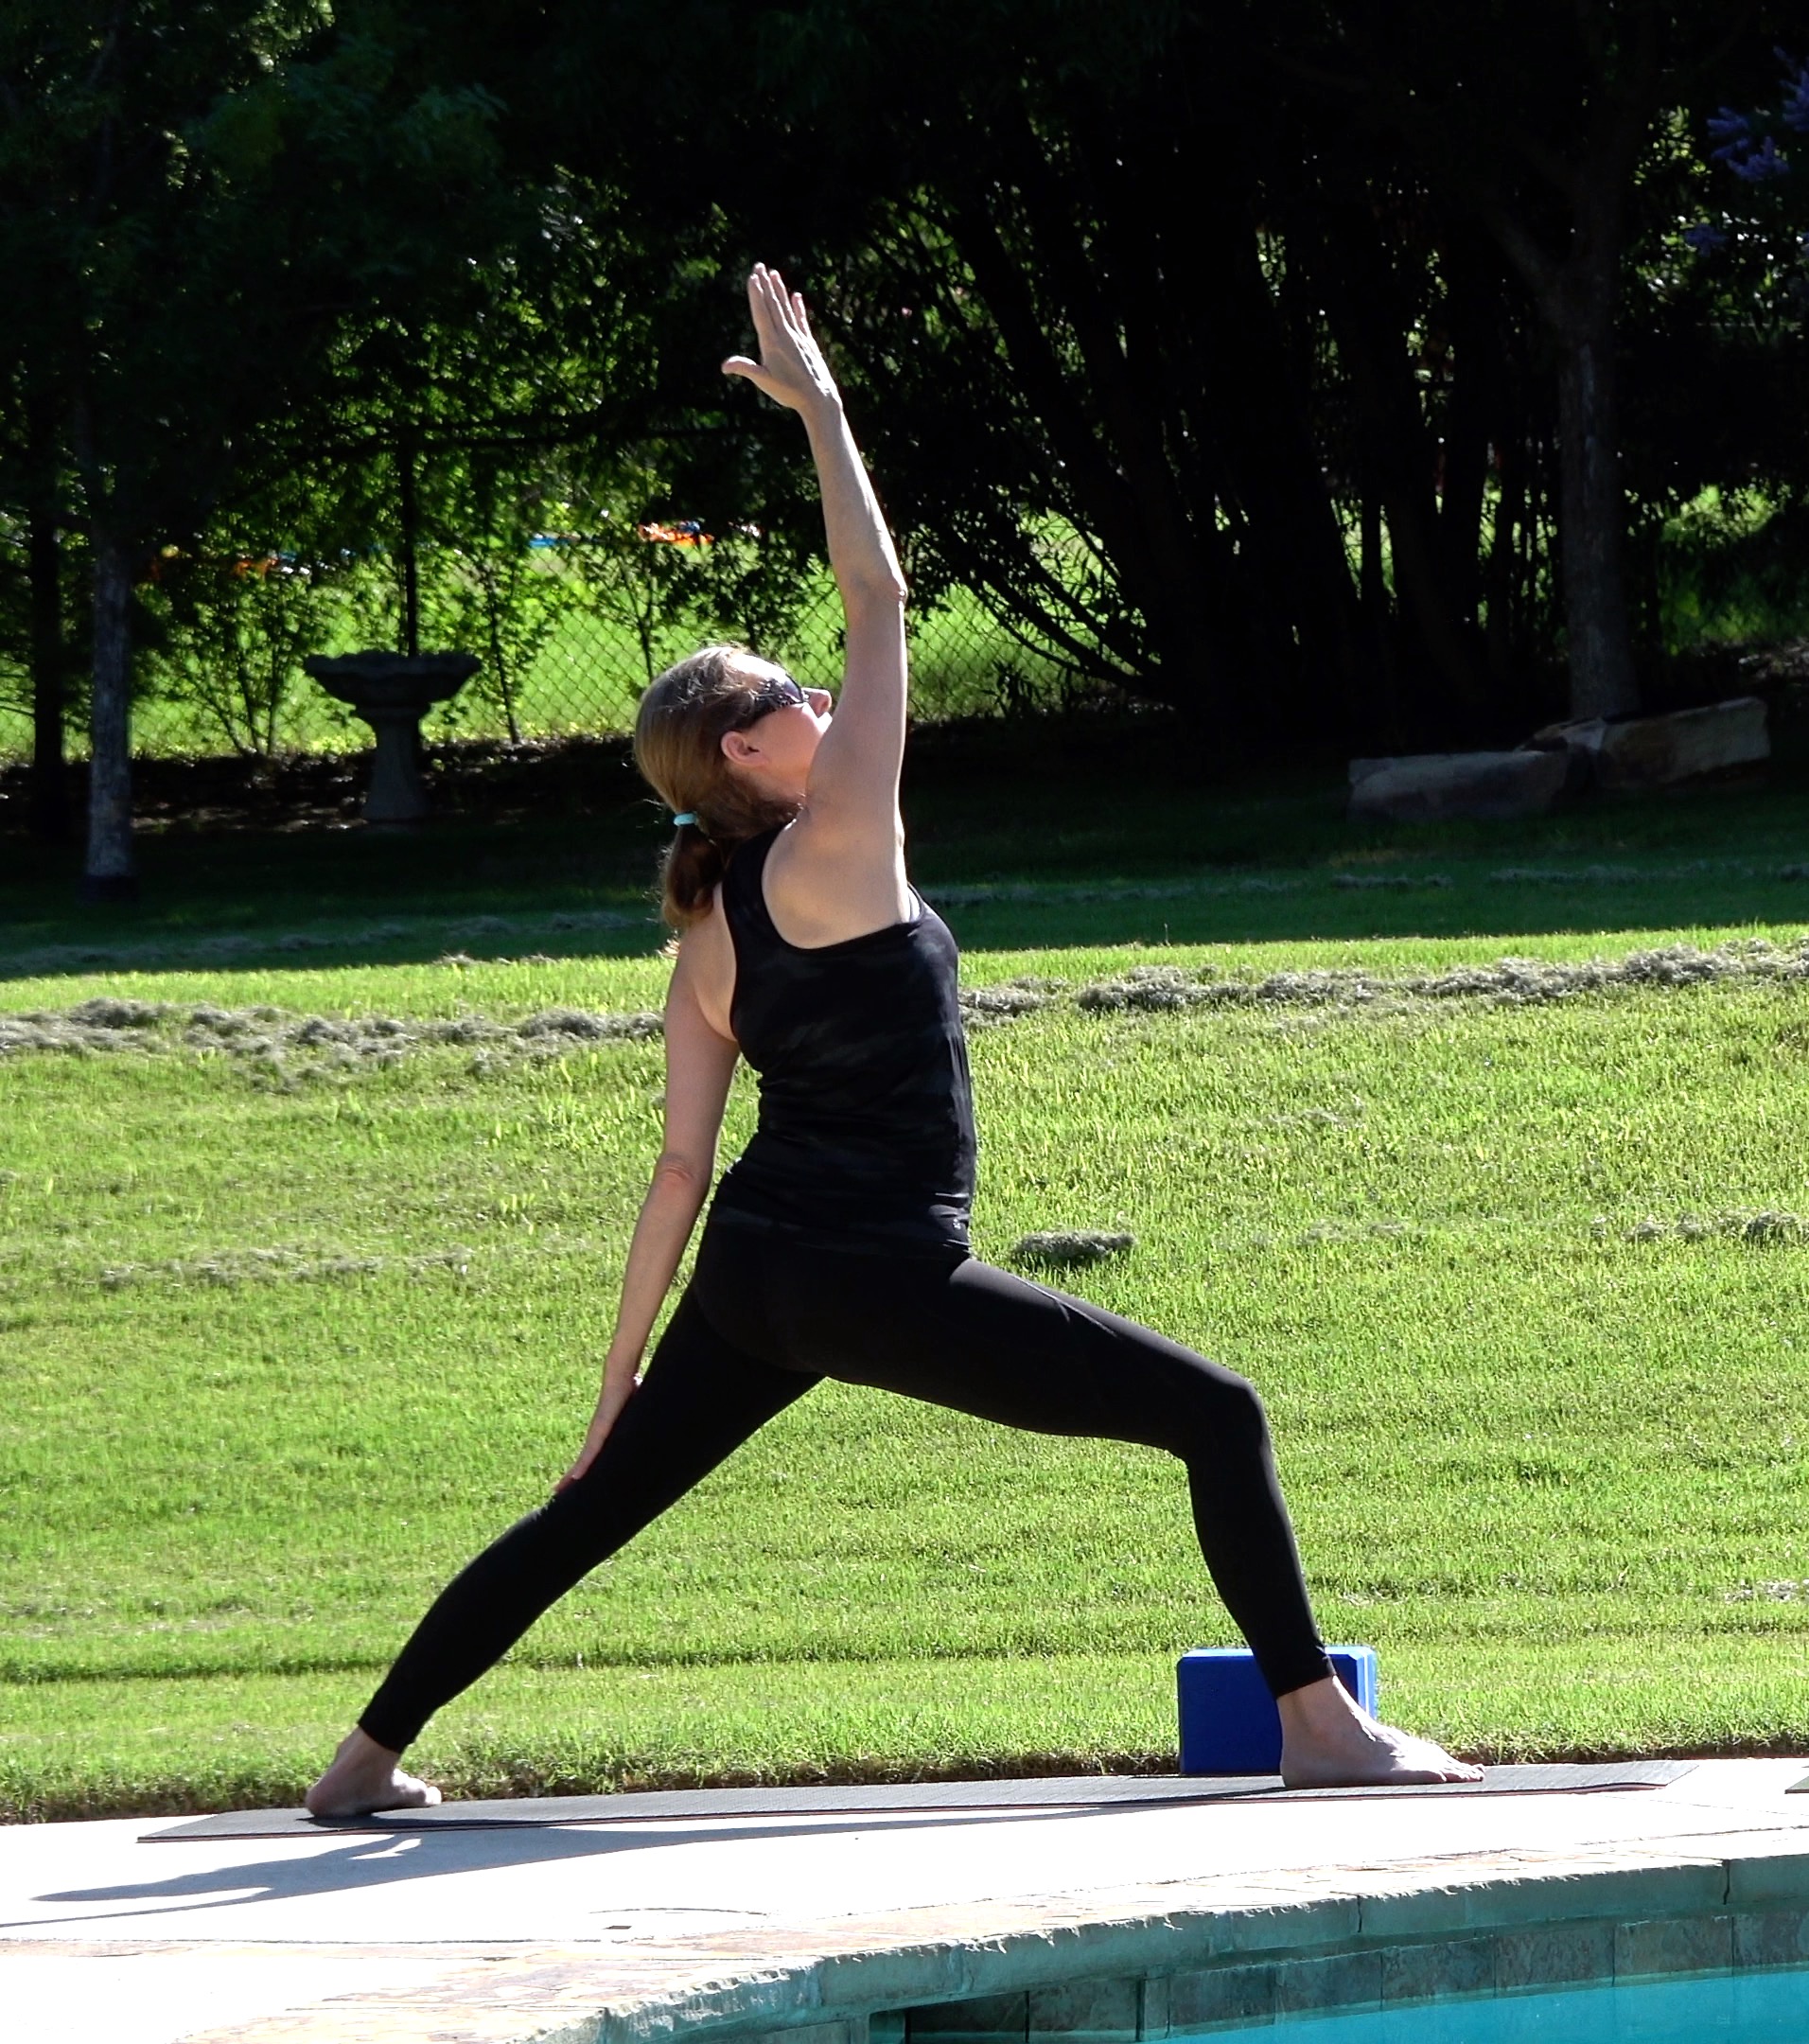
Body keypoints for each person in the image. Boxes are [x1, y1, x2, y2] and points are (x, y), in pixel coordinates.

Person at [306, 269, 1475, 1816]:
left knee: (586, 1513)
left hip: (755, 1277)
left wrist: (615, 1393)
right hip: (866, 1273)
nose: (815, 692)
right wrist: (824, 410)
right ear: (745, 752)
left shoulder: (707, 924)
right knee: (1220, 1413)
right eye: (784, 695)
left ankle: (359, 1764)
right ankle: (1318, 1724)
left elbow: (675, 1173)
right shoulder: (838, 840)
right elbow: (879, 596)